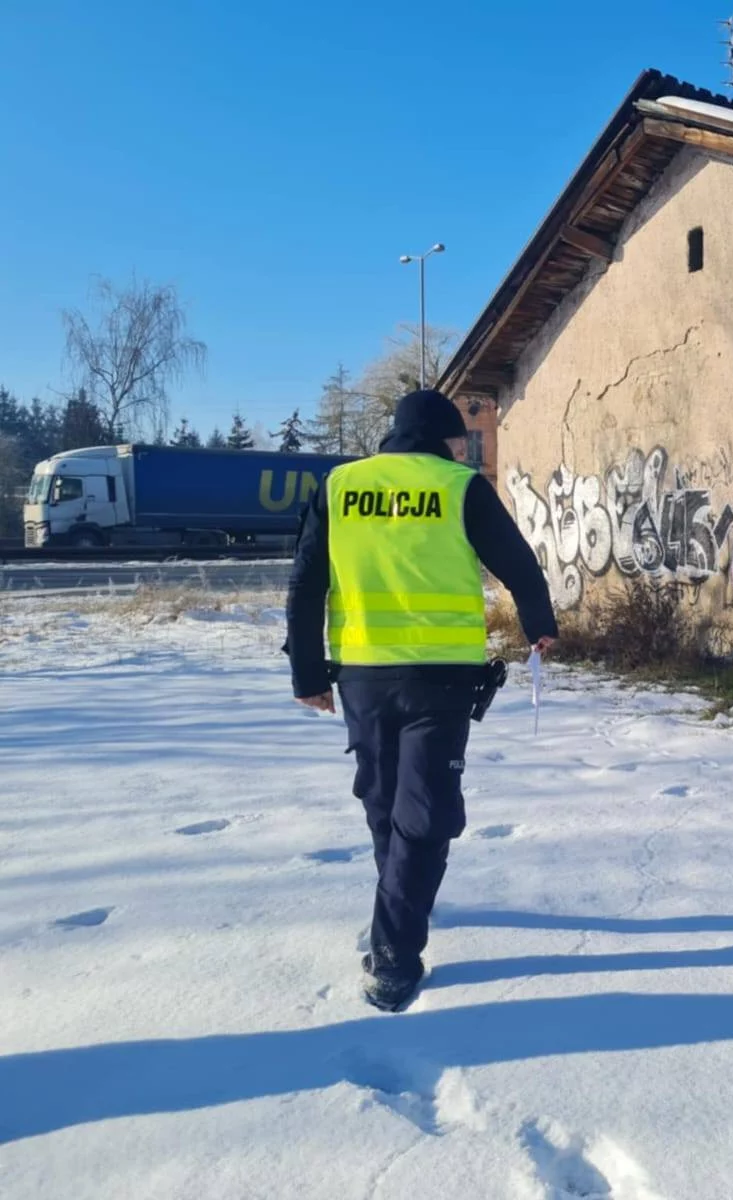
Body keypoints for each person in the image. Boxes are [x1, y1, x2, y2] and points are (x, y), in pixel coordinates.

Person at [285, 388, 558, 1011]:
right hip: (441, 674)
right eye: (462, 439)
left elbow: (305, 583)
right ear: (448, 439)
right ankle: (396, 949)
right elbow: (518, 563)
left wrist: (307, 673)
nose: (464, 449)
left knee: (393, 803)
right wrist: (539, 624)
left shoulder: (339, 486)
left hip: (362, 674)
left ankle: (397, 934)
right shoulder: (459, 486)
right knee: (418, 811)